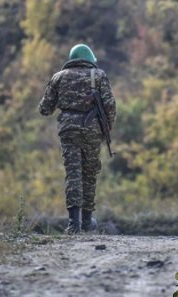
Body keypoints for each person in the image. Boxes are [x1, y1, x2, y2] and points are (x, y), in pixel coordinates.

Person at [38, 44, 116, 234]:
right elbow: (110, 106)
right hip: (92, 130)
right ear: (89, 59)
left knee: (73, 173)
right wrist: (106, 128)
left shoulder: (58, 77)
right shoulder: (98, 75)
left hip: (68, 131)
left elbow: (44, 109)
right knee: (89, 174)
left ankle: (73, 224)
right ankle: (88, 222)